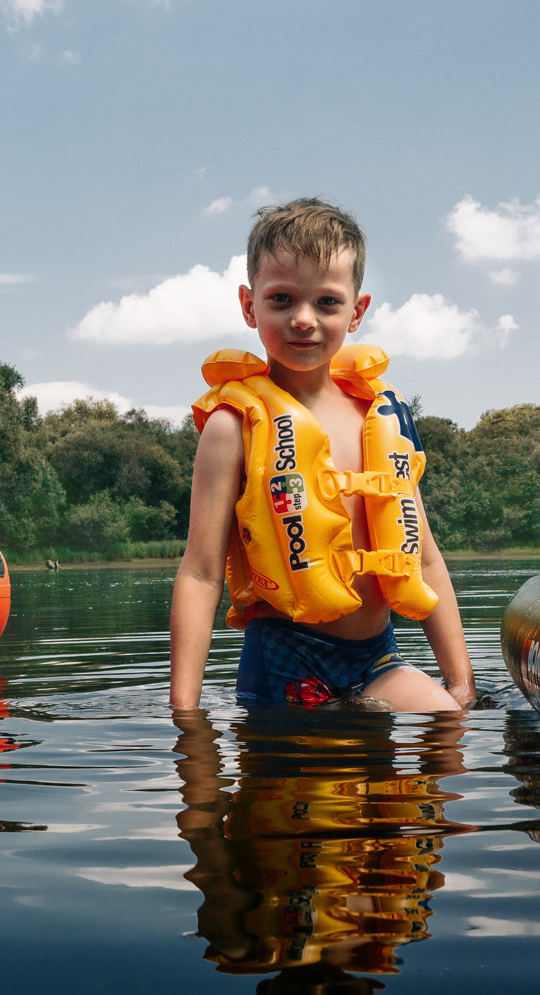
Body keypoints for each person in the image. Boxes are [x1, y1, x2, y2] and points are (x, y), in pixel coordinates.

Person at [169, 198, 474, 711]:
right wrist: (186, 714)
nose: (303, 319)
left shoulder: (381, 417)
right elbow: (200, 573)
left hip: (378, 656)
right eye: (282, 299)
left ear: (357, 312)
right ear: (250, 306)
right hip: (285, 660)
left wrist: (461, 681)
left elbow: (424, 556)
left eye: (327, 303)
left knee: (448, 725)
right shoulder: (232, 427)